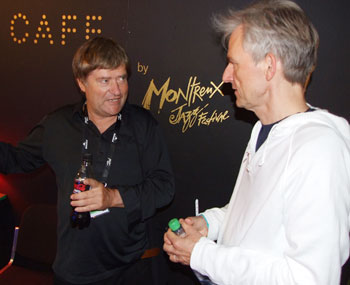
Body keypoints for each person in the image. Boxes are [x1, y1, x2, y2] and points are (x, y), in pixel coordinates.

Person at [163, 0, 350, 284]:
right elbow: (255, 220)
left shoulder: (319, 151)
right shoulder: (264, 129)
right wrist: (209, 224)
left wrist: (202, 255)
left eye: (234, 63)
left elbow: (308, 279)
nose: (225, 77)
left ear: (269, 66)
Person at [0, 37, 175, 284]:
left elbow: (164, 188)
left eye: (122, 78)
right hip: (72, 272)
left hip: (130, 270)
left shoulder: (143, 125)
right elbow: (17, 160)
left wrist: (113, 197)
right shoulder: (57, 125)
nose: (117, 90)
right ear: (82, 83)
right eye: (105, 80)